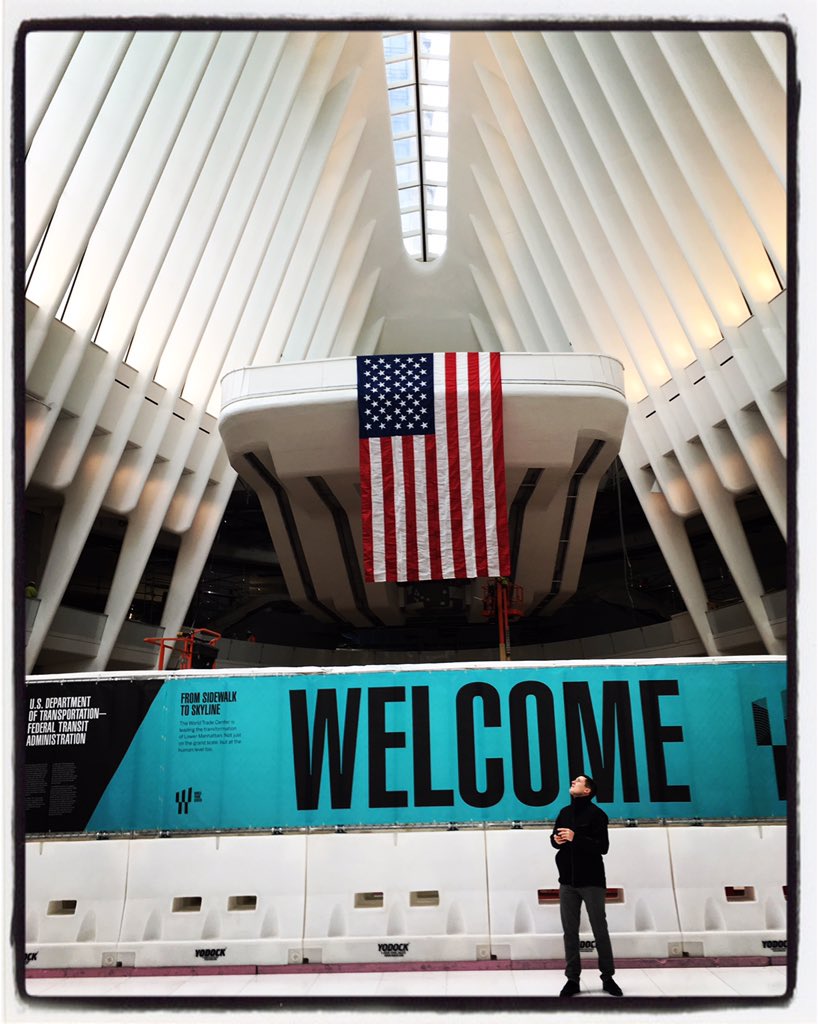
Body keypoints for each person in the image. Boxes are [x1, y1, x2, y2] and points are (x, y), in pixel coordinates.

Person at [550, 774, 623, 997]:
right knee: (569, 932)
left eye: (578, 781)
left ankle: (608, 977)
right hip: (567, 882)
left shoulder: (598, 815)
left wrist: (575, 837)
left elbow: (603, 847)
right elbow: (554, 839)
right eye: (573, 780)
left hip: (591, 881)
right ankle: (572, 979)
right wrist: (556, 840)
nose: (573, 782)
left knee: (599, 929)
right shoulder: (564, 812)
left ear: (588, 790)